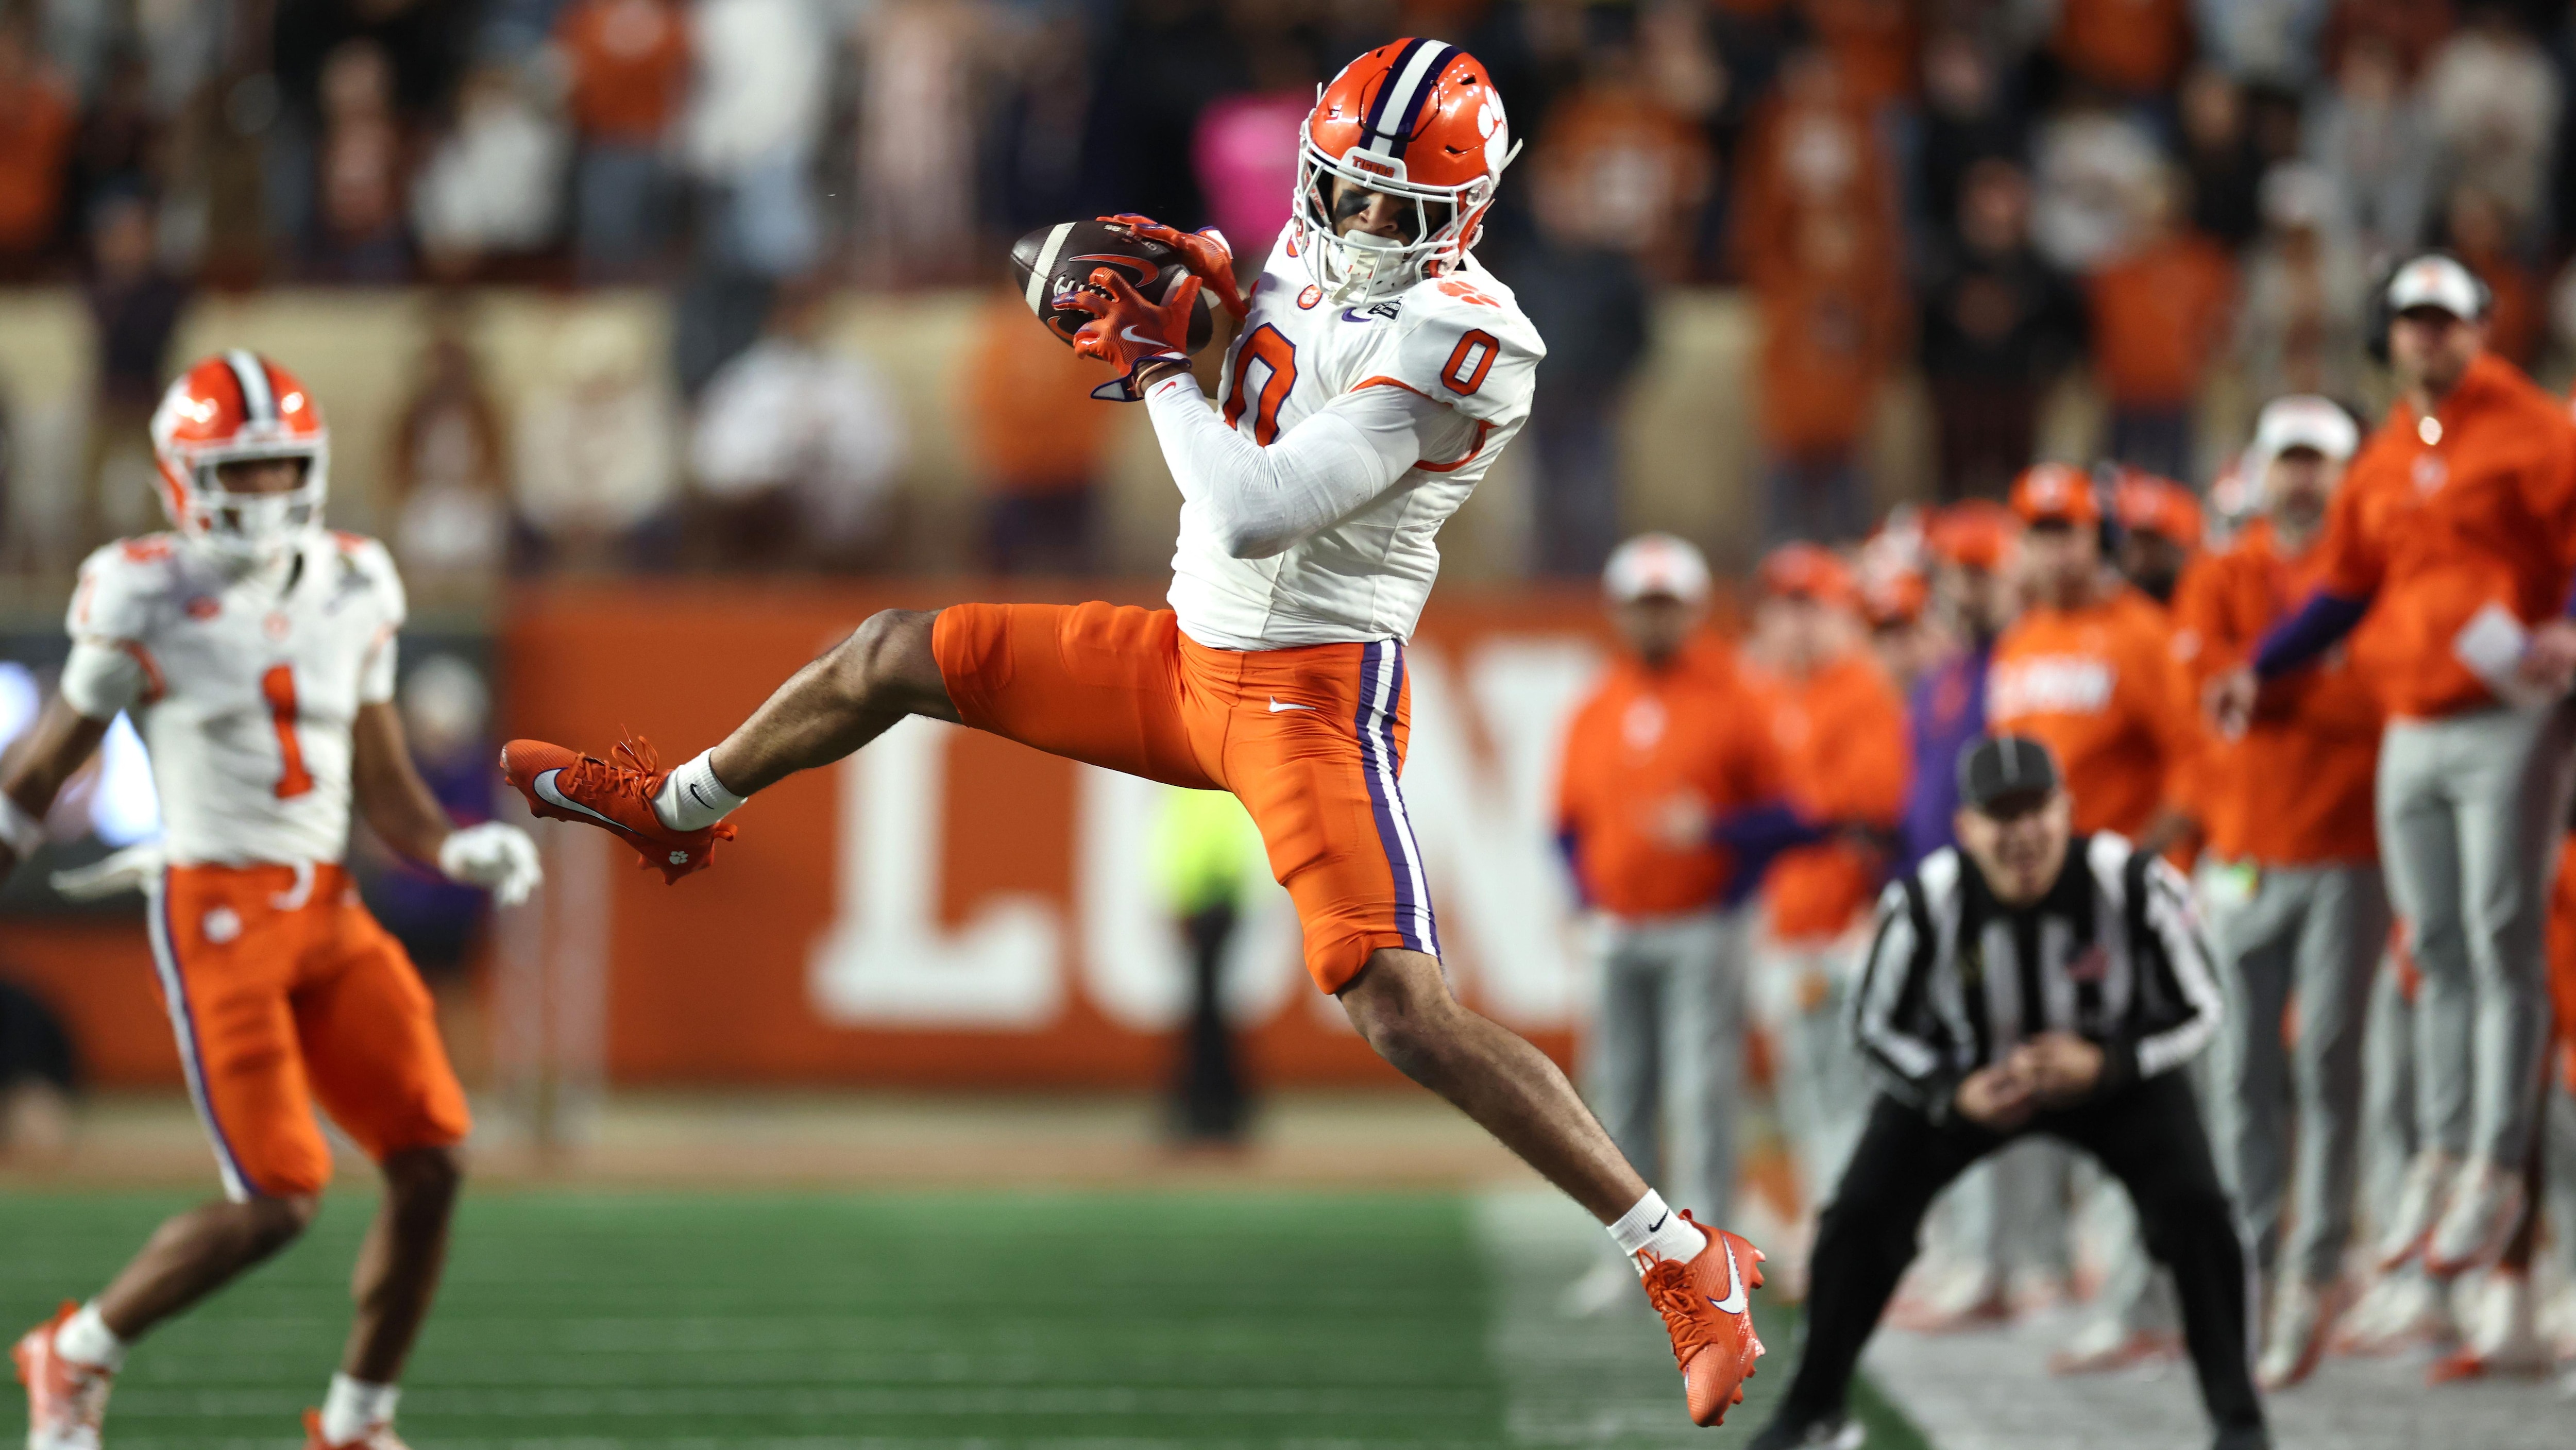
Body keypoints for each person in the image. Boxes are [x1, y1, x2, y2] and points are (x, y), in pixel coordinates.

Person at [497, 40, 1767, 1426]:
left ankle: (1683, 1252)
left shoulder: (1474, 339)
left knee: (1396, 1004)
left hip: (1310, 694)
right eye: (1338, 195)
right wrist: (1150, 295)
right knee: (888, 653)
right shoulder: (1311, 242)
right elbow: (1127, 293)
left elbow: (1259, 504)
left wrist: (1164, 369)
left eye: (1391, 212)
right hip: (1181, 655)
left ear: (1466, 210)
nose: (1351, 231)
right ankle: (671, 806)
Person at [3, 352, 543, 1450]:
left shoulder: (356, 580)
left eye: (278, 470)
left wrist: (459, 848)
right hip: (216, 906)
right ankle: (76, 1351)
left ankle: (356, 1422)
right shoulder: (144, 588)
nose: (260, 495)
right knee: (280, 1197)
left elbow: (387, 789)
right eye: (237, 474)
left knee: (434, 1156)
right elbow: (43, 768)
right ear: (181, 477)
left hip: (328, 910)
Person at [2212, 251, 2576, 1283]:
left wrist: (2572, 629)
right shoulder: (2382, 454)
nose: (2426, 335)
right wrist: (2256, 665)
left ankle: (2494, 1169)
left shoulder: (2530, 426)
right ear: (2391, 334)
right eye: (2411, 320)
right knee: (2437, 945)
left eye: (2444, 319)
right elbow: (2342, 589)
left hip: (2506, 711)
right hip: (2412, 717)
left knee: (2501, 936)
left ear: (2479, 327)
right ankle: (2446, 1153)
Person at [1748, 735, 2261, 1450]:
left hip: (2109, 1079)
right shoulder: (1927, 899)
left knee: (2200, 1213)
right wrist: (1949, 1092)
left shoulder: (2133, 882)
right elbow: (1871, 1024)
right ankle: (1813, 1408)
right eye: (2000, 815)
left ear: (2068, 811)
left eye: (2037, 810)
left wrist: (2108, 1062)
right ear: (1966, 828)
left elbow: (2203, 1004)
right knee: (1857, 1219)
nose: (2022, 832)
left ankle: (2239, 1420)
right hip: (1971, 1078)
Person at [2170, 395, 2384, 1387]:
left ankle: (2317, 1269)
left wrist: (2273, 682)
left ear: (2347, 474)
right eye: (2289, 461)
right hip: (2246, 851)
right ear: (2263, 469)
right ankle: (2254, 1269)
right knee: (2242, 1077)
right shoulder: (2225, 571)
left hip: (2346, 850)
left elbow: (2378, 692)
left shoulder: (2370, 570)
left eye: (2319, 461)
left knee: (2331, 1065)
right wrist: (2311, 670)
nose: (2302, 479)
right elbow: (2210, 692)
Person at [1553, 533, 1787, 1314]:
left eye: (1667, 605)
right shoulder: (1599, 701)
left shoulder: (1735, 693)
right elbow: (1566, 823)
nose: (1655, 621)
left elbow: (1784, 812)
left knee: (1703, 1098)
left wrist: (1725, 863)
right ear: (1622, 613)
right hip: (1620, 927)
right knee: (1614, 1101)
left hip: (1700, 926)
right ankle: (1631, 1263)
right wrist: (1586, 897)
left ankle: (1712, 1264)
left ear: (1690, 610)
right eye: (1642, 606)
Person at [1742, 545, 1908, 1217]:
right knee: (1803, 1090)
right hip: (1784, 918)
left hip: (1847, 920)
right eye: (1785, 606)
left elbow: (1868, 808)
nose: (1797, 622)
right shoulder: (1763, 690)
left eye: (1811, 606)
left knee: (1855, 1089)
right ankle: (1829, 1221)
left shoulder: (1862, 688)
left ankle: (1856, 1228)